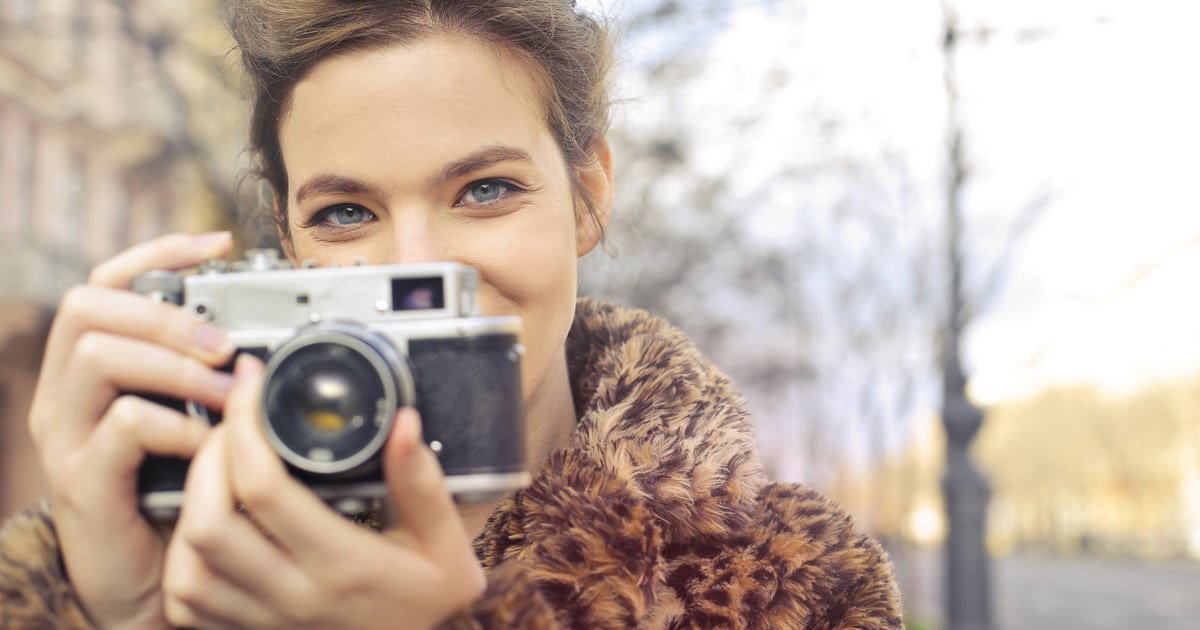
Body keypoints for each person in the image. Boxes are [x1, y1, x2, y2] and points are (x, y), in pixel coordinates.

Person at [0, 1, 903, 627]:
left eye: (486, 189)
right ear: (284, 237)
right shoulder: (194, 556)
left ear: (588, 197)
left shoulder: (792, 585)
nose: (414, 267)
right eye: (345, 213)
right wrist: (110, 612)